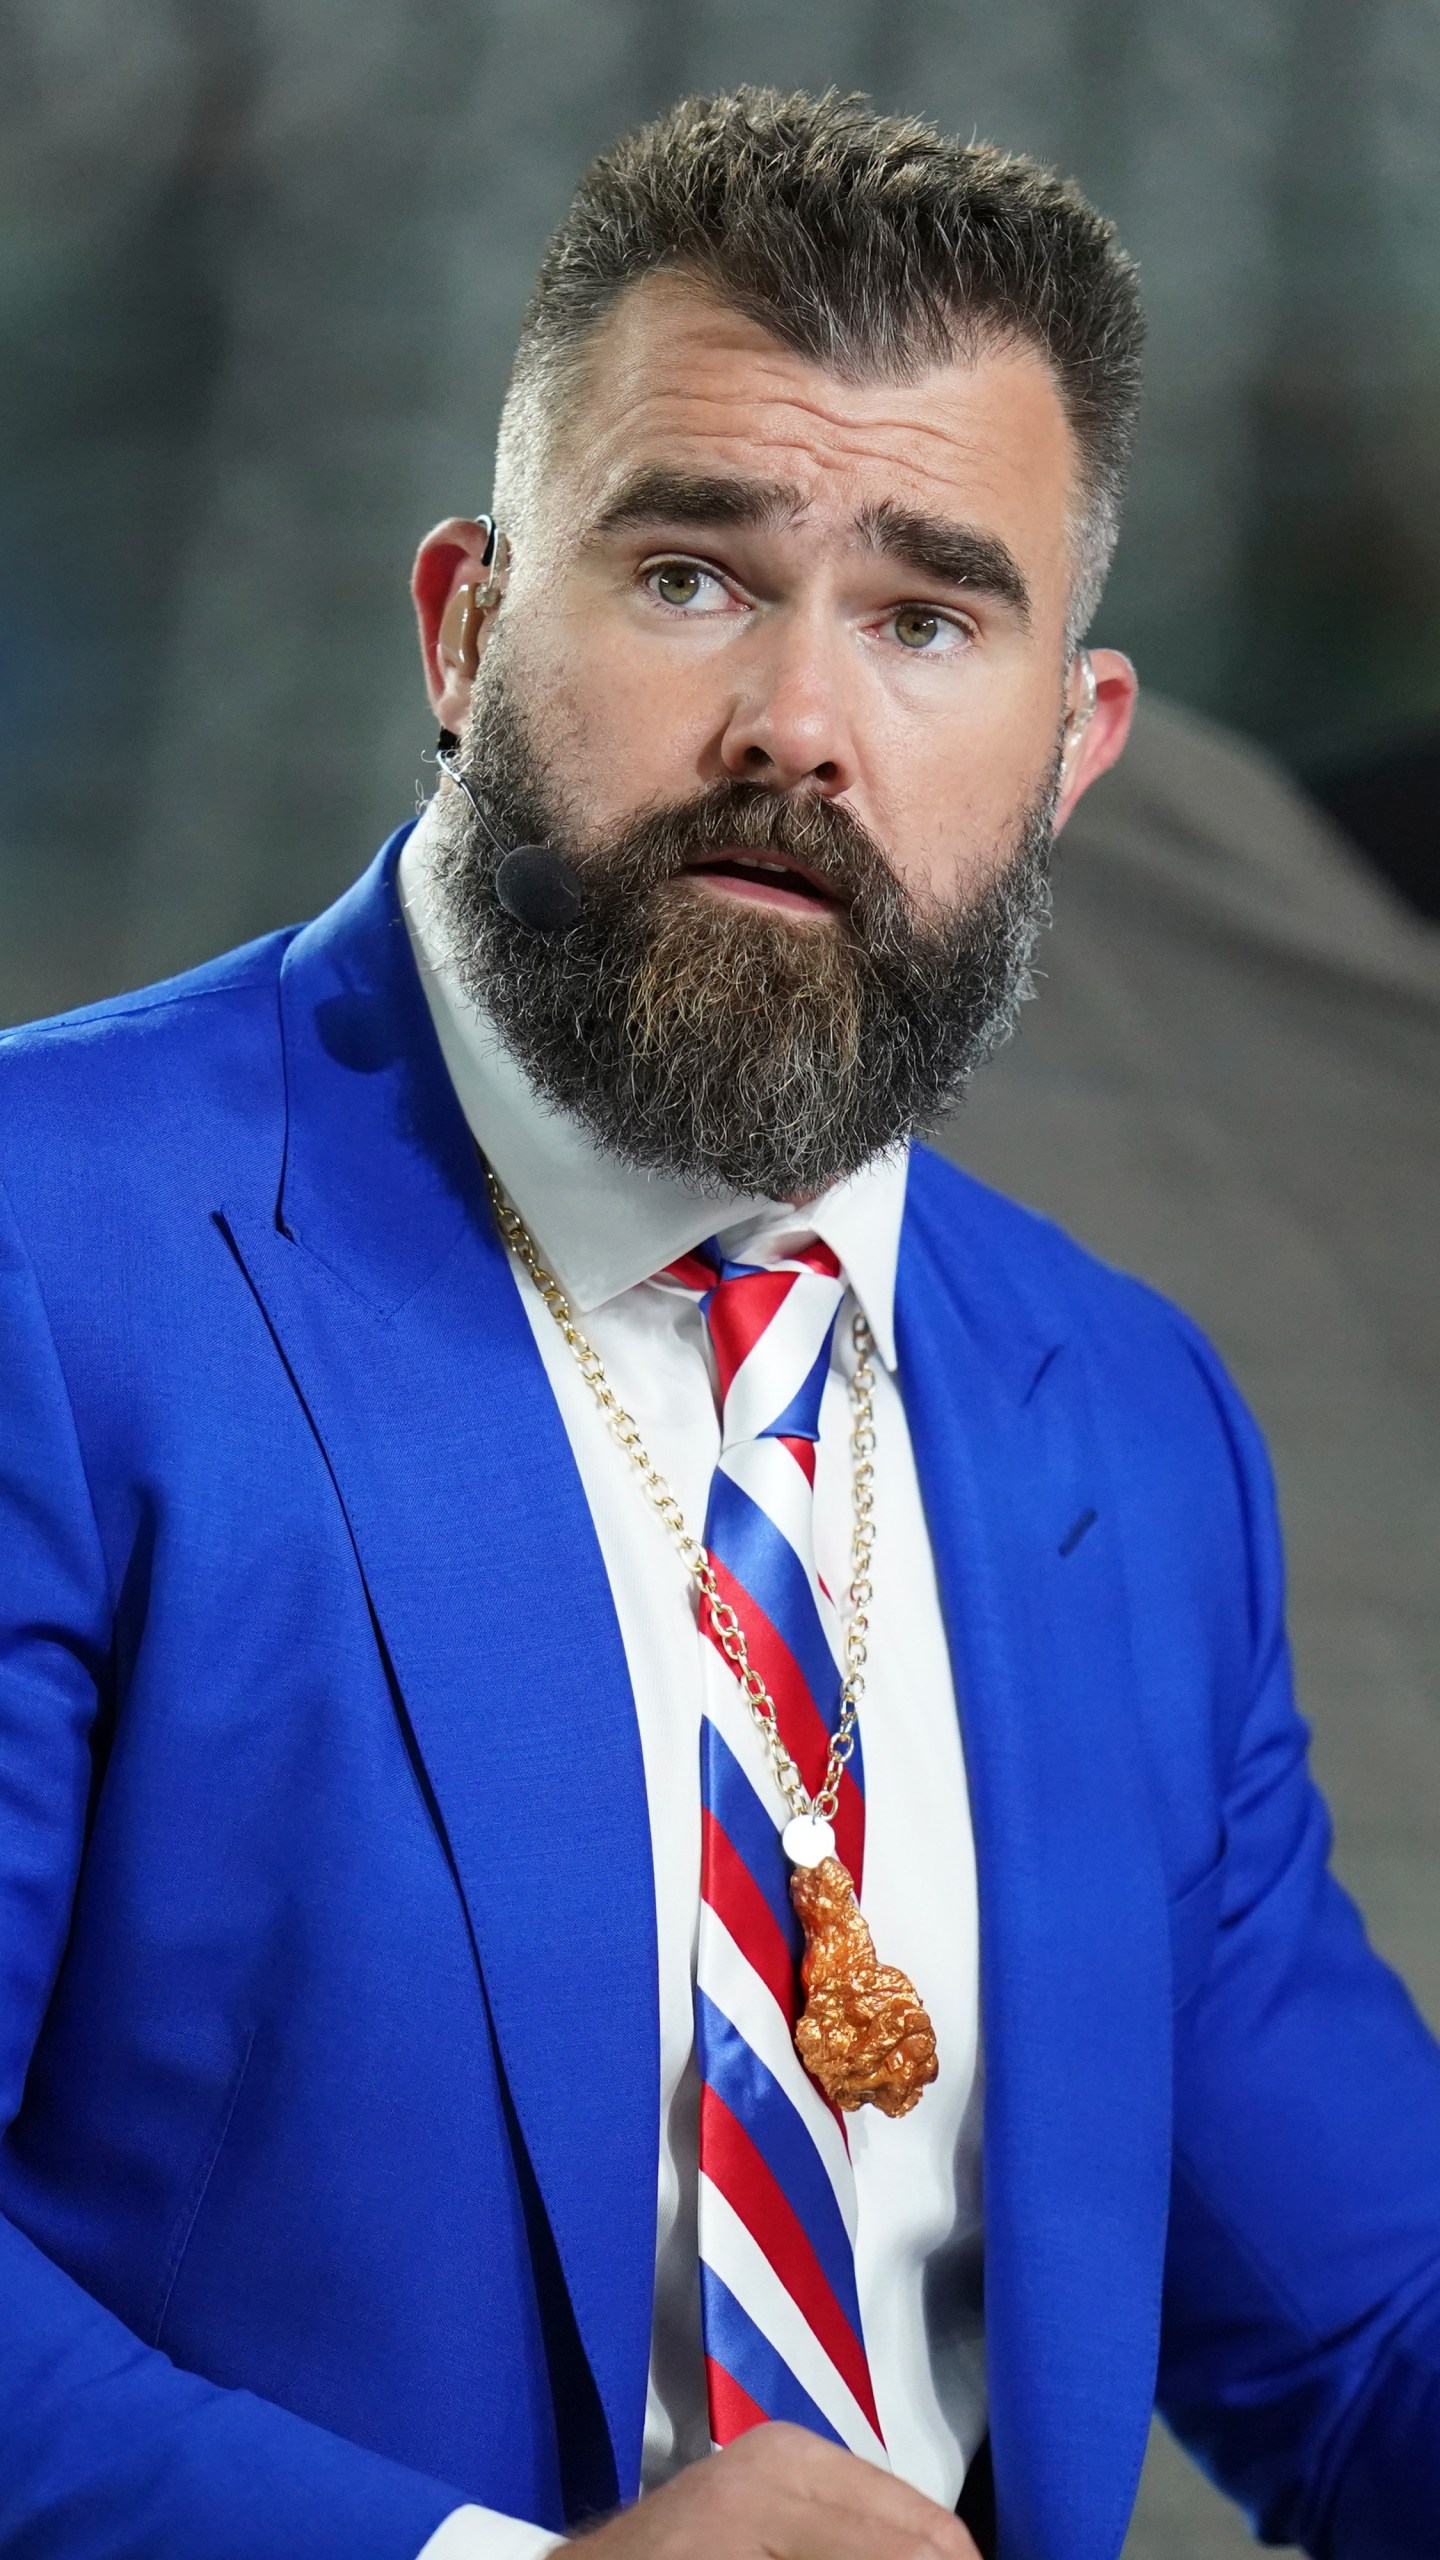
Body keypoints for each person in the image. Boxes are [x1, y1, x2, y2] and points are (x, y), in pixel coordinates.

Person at [0, 85, 1436, 2560]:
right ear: (463, 627)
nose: (799, 720)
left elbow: (1372, 2325)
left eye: (925, 615)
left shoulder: (1122, 1414)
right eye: (689, 574)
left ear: (1071, 749)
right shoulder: (52, 1256)